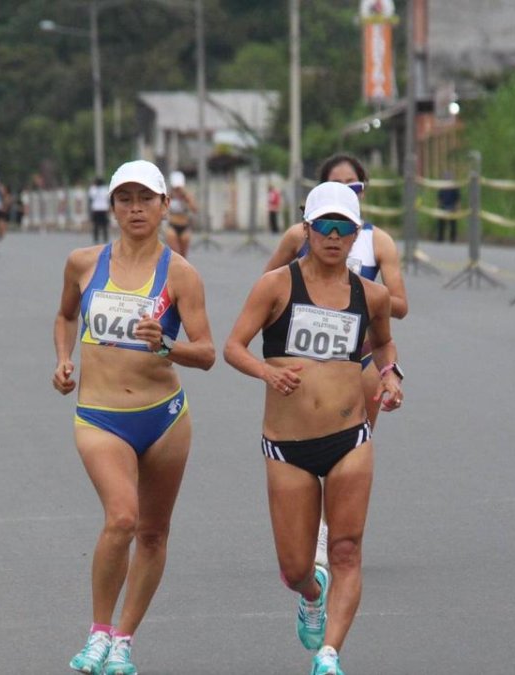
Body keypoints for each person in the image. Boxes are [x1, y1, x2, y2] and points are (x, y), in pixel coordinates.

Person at [224, 181, 403, 675]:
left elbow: (384, 345)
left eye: (342, 227)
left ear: (355, 235)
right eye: (322, 225)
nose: (331, 235)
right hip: (287, 447)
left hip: (350, 439)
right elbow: (234, 346)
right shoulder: (277, 285)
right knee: (296, 567)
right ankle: (311, 595)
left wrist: (389, 377)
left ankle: (329, 654)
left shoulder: (371, 295)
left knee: (346, 549)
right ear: (306, 229)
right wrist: (267, 371)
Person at [53, 160, 215, 675]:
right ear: (112, 207)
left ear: (166, 205)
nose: (135, 209)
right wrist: (64, 359)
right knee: (122, 517)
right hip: (100, 416)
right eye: (125, 199)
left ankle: (124, 640)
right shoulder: (83, 263)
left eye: (145, 199)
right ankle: (98, 632)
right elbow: (65, 316)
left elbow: (207, 352)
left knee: (152, 533)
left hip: (164, 418)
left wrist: (166, 345)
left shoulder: (181, 275)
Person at [264, 153, 409, 569]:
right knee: (308, 439)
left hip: (357, 357)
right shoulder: (299, 235)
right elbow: (266, 283)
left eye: (354, 187)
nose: (346, 192)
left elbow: (399, 305)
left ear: (362, 193)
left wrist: (360, 295)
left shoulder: (377, 241)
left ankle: (332, 533)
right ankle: (311, 532)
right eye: (337, 184)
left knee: (350, 448)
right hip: (306, 361)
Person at [165, 170, 196, 258]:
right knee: (175, 254)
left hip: (184, 226)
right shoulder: (169, 196)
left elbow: (194, 209)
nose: (177, 190)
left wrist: (185, 196)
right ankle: (174, 269)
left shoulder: (186, 196)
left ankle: (182, 270)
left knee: (183, 256)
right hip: (172, 225)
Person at [435, 171, 461, 242]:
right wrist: (437, 208)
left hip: (452, 207)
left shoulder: (455, 187)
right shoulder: (442, 187)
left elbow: (457, 198)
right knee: (441, 223)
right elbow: (439, 198)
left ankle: (453, 238)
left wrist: (458, 208)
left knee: (453, 224)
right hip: (443, 206)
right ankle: (440, 238)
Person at [88, 176, 111, 244]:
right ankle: (105, 238)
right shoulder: (106, 189)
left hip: (96, 209)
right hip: (104, 208)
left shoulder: (93, 189)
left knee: (96, 224)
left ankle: (96, 239)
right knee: (104, 225)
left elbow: (91, 198)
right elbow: (108, 198)